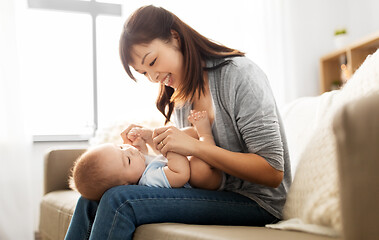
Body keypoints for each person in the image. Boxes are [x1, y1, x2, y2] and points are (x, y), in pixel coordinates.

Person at [65, 5, 291, 240]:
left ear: (175, 37)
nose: (153, 78)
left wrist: (194, 146)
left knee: (119, 200)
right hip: (211, 192)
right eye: (144, 73)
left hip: (258, 203)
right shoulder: (181, 94)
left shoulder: (239, 75)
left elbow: (273, 172)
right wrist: (149, 144)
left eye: (151, 62)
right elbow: (181, 165)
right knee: (90, 199)